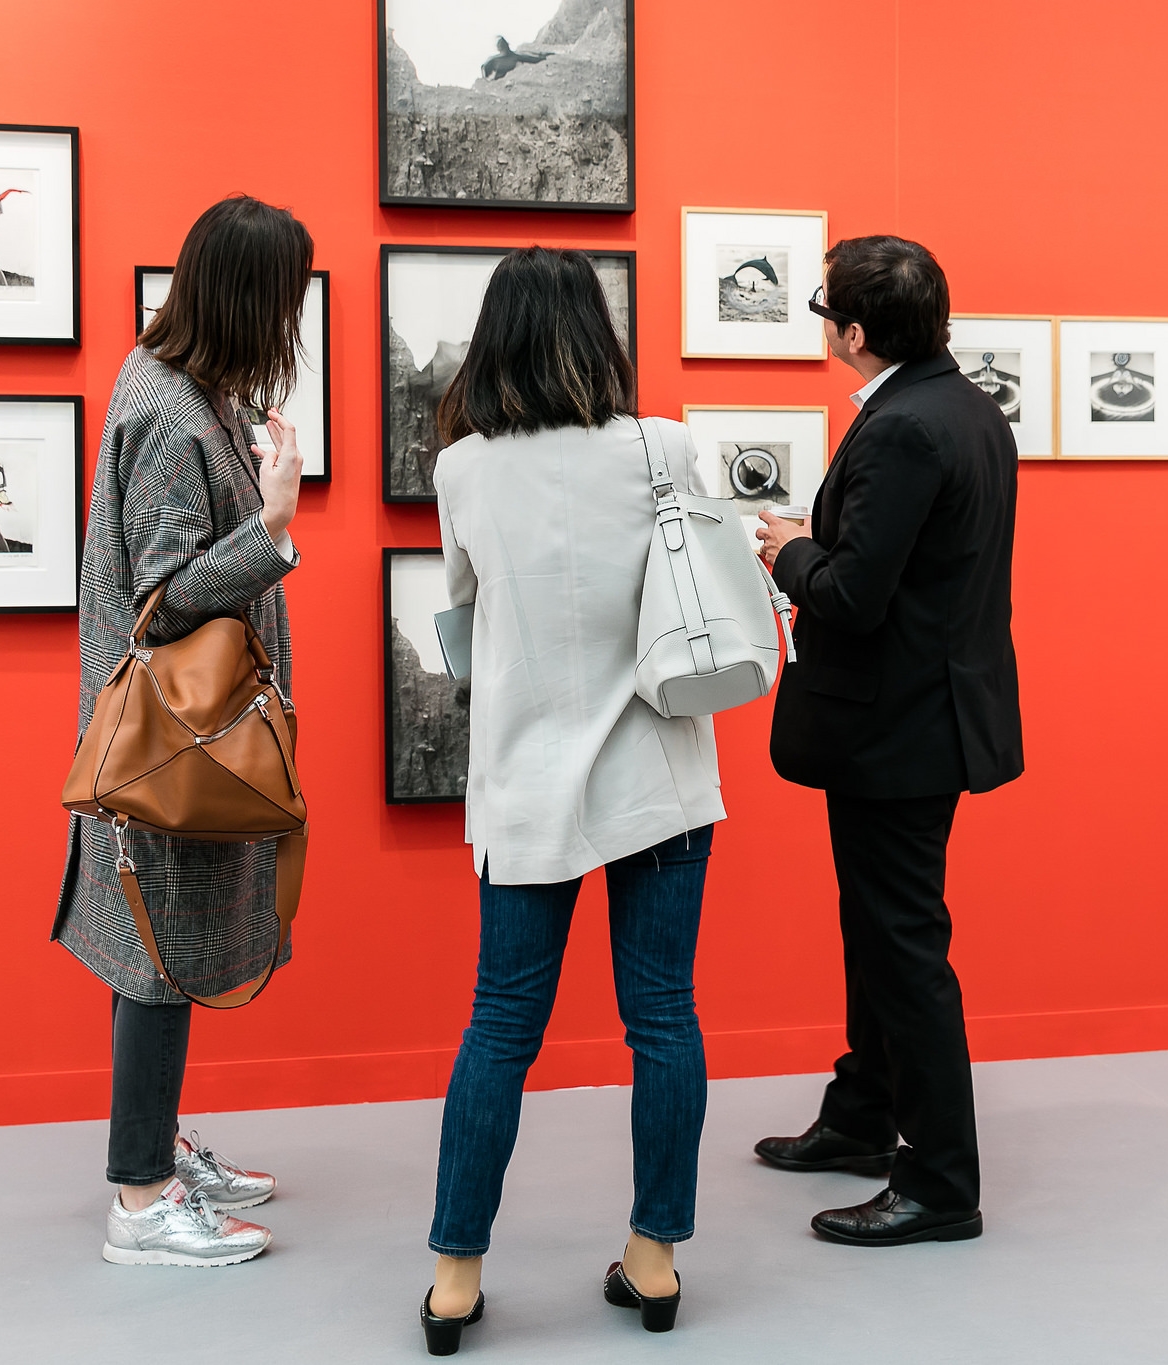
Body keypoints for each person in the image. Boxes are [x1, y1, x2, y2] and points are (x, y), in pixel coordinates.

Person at [421, 247, 725, 1353]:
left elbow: (463, 622)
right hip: (658, 775)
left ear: (493, 340)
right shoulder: (663, 447)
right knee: (663, 1017)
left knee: (500, 1026)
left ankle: (455, 1280)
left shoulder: (462, 470)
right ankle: (654, 1260)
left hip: (525, 782)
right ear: (598, 334)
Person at [51, 195, 311, 1268]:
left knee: (153, 943)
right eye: (285, 297)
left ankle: (151, 1149)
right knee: (157, 954)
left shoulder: (172, 382)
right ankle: (142, 1200)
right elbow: (165, 600)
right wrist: (273, 524)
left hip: (170, 733)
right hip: (172, 738)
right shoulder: (172, 413)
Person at [750, 236, 1024, 1247]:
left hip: (895, 728)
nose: (824, 326)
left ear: (856, 332)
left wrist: (789, 551)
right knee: (878, 930)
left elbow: (853, 595)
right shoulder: (963, 407)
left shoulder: (903, 426)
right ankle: (863, 1113)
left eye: (826, 311)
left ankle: (940, 1181)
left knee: (903, 947)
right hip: (920, 717)